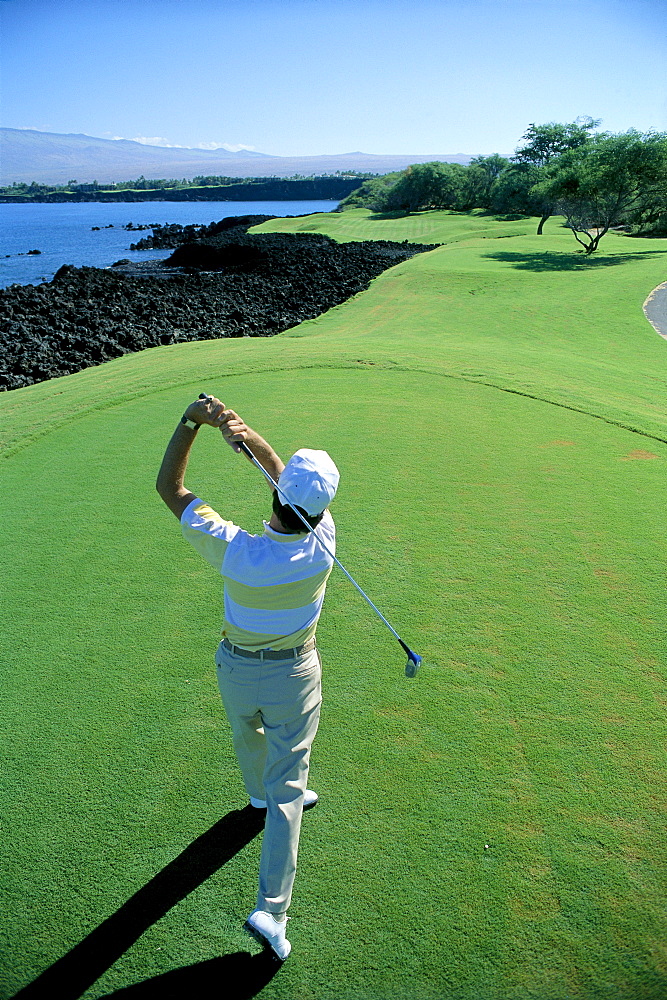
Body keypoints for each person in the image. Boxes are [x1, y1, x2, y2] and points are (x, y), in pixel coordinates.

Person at [156, 394, 339, 961]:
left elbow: (172, 489)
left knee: (247, 734)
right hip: (294, 674)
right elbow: (284, 481)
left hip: (236, 669)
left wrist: (196, 422)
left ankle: (258, 795)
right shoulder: (325, 541)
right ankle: (272, 911)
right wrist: (241, 432)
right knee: (291, 790)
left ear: (279, 498)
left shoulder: (235, 550)